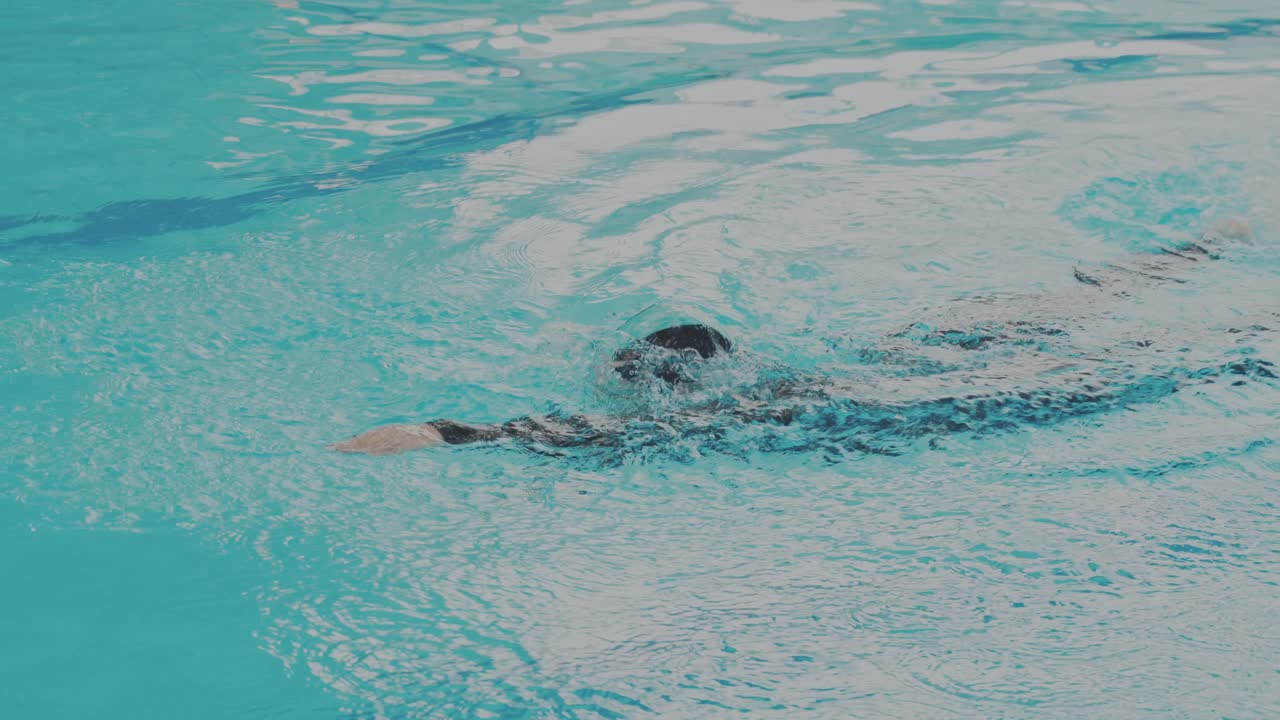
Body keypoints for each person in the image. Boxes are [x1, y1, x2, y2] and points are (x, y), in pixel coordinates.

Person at [331, 218, 1271, 457]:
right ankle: (1207, 245)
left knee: (1131, 361)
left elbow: (557, 437)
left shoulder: (696, 426)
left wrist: (441, 438)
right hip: (896, 362)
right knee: (1065, 308)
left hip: (905, 404)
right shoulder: (784, 377)